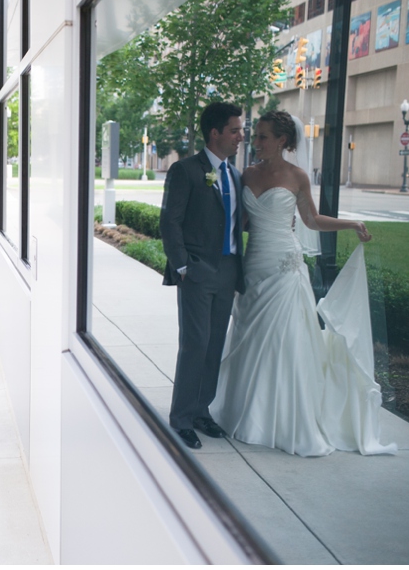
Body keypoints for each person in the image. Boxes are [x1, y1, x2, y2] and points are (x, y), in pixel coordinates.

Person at [209, 111, 396, 456]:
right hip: (254, 265)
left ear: (282, 140)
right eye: (256, 136)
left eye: (264, 136)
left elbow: (311, 220)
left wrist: (351, 224)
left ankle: (283, 418)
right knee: (250, 338)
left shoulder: (297, 177)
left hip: (286, 266)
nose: (257, 142)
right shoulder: (246, 174)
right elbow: (241, 222)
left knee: (285, 340)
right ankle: (247, 411)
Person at [159, 102, 245, 450]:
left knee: (213, 347)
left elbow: (235, 221)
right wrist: (183, 267)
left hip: (228, 271)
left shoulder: (235, 175)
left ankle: (201, 411)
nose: (241, 136)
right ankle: (181, 418)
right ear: (216, 133)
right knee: (194, 345)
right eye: (235, 130)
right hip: (197, 272)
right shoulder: (186, 171)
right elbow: (170, 221)